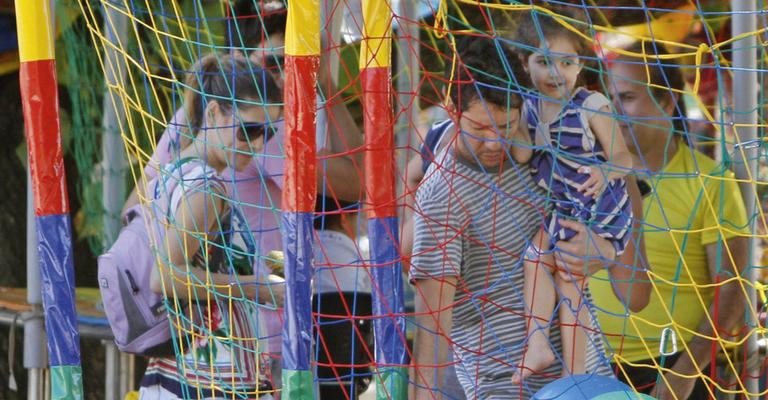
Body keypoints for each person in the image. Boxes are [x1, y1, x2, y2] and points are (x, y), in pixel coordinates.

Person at [408, 36, 639, 399]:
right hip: (506, 389)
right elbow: (432, 332)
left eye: (505, 126)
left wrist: (604, 252)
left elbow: (620, 224)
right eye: (480, 129)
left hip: (588, 380)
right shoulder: (440, 196)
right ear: (452, 111)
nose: (494, 143)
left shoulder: (545, 149)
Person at [590, 42, 749, 399]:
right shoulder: (589, 175)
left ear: (667, 101)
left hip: (673, 367)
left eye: (627, 98)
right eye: (609, 99)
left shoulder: (709, 181)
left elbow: (734, 293)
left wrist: (685, 371)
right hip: (590, 364)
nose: (613, 113)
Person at [139, 54, 282, 399]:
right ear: (215, 112)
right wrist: (257, 287)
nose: (260, 144)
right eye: (249, 130)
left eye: (269, 131)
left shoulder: (175, 170)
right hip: (207, 378)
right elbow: (165, 277)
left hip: (189, 371)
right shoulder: (205, 188)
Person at [509, 9, 635, 383]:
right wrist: (516, 125)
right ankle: (538, 346)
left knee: (568, 277)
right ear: (524, 61)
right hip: (564, 206)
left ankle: (574, 373)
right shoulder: (530, 107)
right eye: (544, 61)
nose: (555, 73)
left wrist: (603, 170)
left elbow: (624, 157)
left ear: (581, 65)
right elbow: (522, 155)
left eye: (567, 62)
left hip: (597, 206)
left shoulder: (590, 104)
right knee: (534, 259)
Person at [312, 195, 374, 399]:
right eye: (359, 217)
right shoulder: (358, 255)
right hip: (349, 365)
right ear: (344, 218)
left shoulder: (303, 247)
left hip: (308, 361)